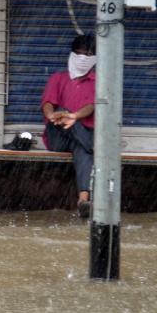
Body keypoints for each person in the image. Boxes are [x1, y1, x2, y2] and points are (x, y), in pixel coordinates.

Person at [41, 34, 96, 218]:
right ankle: (93, 146)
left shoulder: (98, 82)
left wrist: (74, 117)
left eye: (88, 55)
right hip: (58, 136)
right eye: (79, 53)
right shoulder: (59, 78)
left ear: (95, 57)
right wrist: (53, 115)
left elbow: (91, 106)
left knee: (82, 150)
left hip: (80, 137)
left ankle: (83, 199)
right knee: (85, 143)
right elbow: (48, 103)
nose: (82, 59)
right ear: (72, 53)